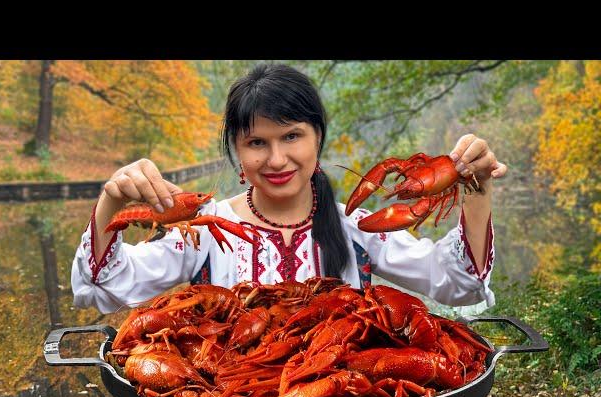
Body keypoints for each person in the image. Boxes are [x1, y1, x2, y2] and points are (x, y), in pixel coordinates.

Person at [72, 63, 507, 314]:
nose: (276, 159)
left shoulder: (359, 227)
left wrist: (477, 188)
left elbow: (460, 283)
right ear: (238, 154)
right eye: (257, 142)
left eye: (292, 136)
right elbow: (104, 284)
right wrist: (112, 199)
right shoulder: (204, 230)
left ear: (318, 138)